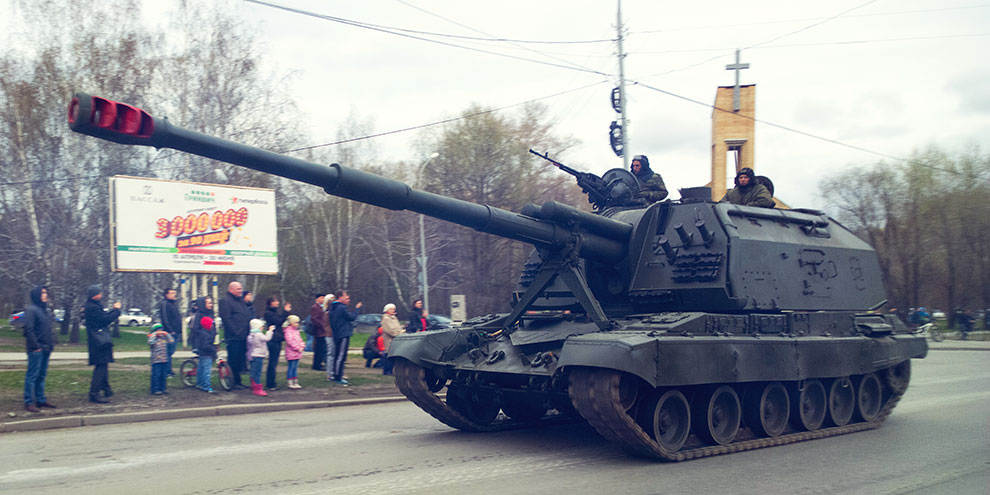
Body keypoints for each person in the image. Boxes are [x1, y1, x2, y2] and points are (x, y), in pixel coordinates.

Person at [83, 285, 121, 404]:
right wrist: (116, 311)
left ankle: (106, 388)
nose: (101, 295)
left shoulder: (93, 306)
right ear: (94, 295)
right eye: (99, 293)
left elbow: (103, 316)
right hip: (99, 341)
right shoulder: (92, 307)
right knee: (101, 366)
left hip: (99, 340)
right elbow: (105, 319)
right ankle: (94, 393)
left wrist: (112, 311)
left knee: (103, 365)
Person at [22, 286, 56, 412]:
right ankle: (28, 402)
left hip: (46, 347)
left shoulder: (44, 310)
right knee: (32, 376)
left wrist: (51, 344)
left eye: (46, 292)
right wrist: (36, 346)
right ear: (37, 295)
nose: (45, 295)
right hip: (36, 349)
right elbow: (29, 330)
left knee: (41, 375)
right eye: (42, 293)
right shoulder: (31, 310)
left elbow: (47, 329)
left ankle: (40, 399)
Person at [218, 281, 251, 389]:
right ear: (231, 290)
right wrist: (236, 332)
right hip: (234, 337)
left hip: (243, 335)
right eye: (238, 289)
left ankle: (238, 381)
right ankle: (233, 382)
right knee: (234, 360)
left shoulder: (240, 301)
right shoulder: (225, 301)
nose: (241, 291)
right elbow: (227, 319)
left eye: (241, 289)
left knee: (241, 360)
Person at [328, 290, 362, 385]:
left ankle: (334, 374)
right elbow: (351, 317)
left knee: (336, 355)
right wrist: (357, 309)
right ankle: (338, 376)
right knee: (341, 356)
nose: (348, 299)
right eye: (346, 296)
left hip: (336, 334)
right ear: (340, 297)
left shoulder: (332, 308)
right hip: (343, 334)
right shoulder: (341, 308)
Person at [263, 297, 291, 390]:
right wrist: (285, 312)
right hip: (273, 339)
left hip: (277, 338)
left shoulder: (274, 312)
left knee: (274, 362)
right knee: (272, 361)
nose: (278, 302)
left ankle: (272, 382)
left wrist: (285, 313)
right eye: (276, 301)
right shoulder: (268, 313)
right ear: (271, 303)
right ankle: (270, 383)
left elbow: (280, 319)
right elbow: (279, 321)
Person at [156, 288, 182, 377]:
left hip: (176, 331)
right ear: (166, 295)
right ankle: (167, 371)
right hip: (170, 332)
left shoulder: (174, 304)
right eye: (172, 293)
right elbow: (165, 318)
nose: (174, 294)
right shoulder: (165, 304)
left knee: (171, 352)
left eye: (175, 293)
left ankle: (168, 370)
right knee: (168, 352)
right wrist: (170, 330)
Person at [192, 307, 217, 393]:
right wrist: (213, 350)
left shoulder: (202, 333)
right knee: (206, 371)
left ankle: (200, 384)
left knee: (200, 369)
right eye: (211, 324)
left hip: (202, 353)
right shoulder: (206, 334)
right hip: (207, 354)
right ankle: (206, 386)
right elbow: (207, 345)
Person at [246, 318, 273, 396]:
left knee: (253, 371)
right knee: (258, 372)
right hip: (258, 355)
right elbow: (267, 338)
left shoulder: (252, 335)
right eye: (261, 326)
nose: (262, 328)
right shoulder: (258, 334)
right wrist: (270, 331)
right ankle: (257, 388)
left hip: (253, 354)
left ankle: (253, 384)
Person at [148, 324, 174, 395]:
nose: (160, 331)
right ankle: (155, 389)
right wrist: (155, 334)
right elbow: (150, 342)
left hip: (164, 359)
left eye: (161, 330)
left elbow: (171, 341)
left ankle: (163, 388)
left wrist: (167, 334)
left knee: (163, 374)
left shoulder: (164, 338)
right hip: (156, 360)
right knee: (156, 374)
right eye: (158, 330)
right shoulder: (153, 337)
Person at [380, 303, 404, 376]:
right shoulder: (386, 319)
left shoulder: (394, 318)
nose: (393, 310)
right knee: (389, 355)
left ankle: (391, 370)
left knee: (393, 355)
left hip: (396, 339)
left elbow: (398, 328)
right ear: (387, 310)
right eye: (391, 309)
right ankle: (387, 371)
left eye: (394, 309)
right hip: (390, 340)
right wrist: (399, 334)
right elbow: (390, 331)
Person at [282, 315, 305, 389]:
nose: (297, 324)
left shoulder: (296, 331)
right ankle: (290, 381)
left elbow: (300, 339)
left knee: (295, 367)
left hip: (297, 352)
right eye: (295, 323)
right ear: (291, 323)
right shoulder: (288, 331)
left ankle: (295, 381)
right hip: (291, 352)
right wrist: (297, 348)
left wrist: (302, 346)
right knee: (291, 367)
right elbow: (290, 341)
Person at [309, 293, 328, 370]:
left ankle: (319, 363)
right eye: (321, 298)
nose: (323, 300)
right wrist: (323, 325)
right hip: (319, 331)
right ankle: (317, 365)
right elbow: (314, 319)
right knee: (319, 349)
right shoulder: (315, 307)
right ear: (317, 299)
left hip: (322, 331)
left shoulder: (322, 307)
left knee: (322, 348)